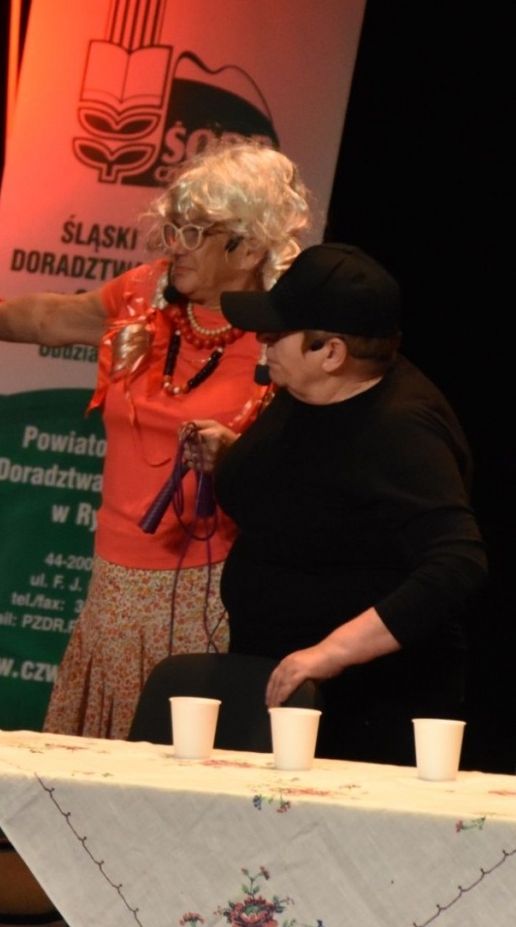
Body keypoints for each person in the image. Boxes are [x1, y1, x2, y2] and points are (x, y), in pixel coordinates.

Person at [0, 141, 311, 740]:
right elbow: (56, 317)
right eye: (172, 227)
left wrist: (239, 459)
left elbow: (312, 471)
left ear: (250, 246)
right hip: (113, 586)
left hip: (213, 591)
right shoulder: (144, 294)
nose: (175, 244)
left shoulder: (285, 334)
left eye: (195, 232)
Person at [196, 243, 486, 764]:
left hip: (363, 708)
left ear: (331, 353)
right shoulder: (305, 392)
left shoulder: (402, 429)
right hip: (274, 679)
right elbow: (322, 489)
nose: (262, 339)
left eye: (278, 333)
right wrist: (234, 457)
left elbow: (457, 564)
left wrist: (331, 652)